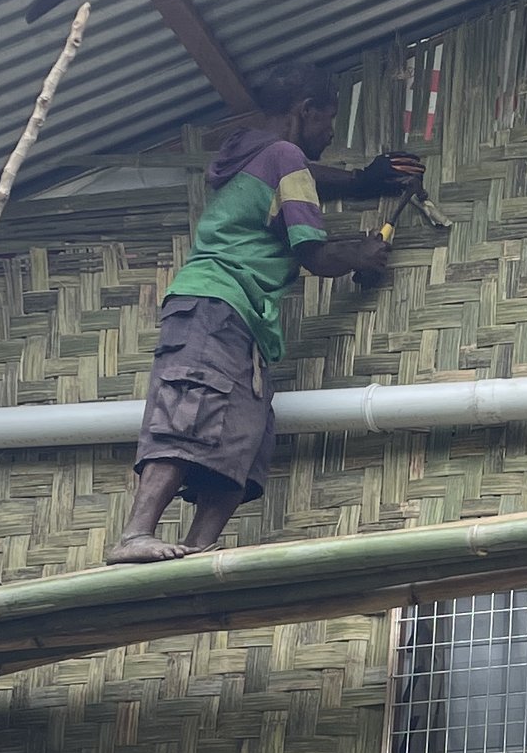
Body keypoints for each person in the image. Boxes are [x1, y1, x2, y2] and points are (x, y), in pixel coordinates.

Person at [109, 86, 422, 564]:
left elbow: (307, 179)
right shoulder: (283, 154)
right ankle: (134, 535)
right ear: (306, 107)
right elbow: (313, 253)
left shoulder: (260, 157)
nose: (331, 131)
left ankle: (195, 552)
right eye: (328, 118)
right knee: (188, 413)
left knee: (245, 443)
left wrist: (362, 182)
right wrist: (359, 251)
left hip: (245, 323)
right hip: (214, 303)